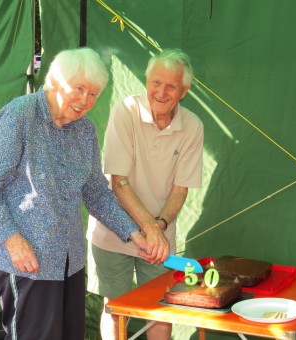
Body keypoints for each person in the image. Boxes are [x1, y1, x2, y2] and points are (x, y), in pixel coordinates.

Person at [0, 47, 169, 340]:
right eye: (79, 89)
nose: (85, 101)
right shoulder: (19, 116)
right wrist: (14, 242)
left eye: (93, 94)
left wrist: (135, 234)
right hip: (27, 257)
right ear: (55, 82)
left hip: (68, 258)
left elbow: (97, 193)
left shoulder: (85, 130)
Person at [87, 49, 204, 339]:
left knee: (160, 311)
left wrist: (159, 228)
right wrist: (150, 228)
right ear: (146, 81)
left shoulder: (193, 126)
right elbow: (119, 182)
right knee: (116, 310)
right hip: (115, 232)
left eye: (171, 86)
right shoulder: (125, 111)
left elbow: (180, 189)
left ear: (185, 91)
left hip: (159, 241)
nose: (161, 92)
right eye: (155, 83)